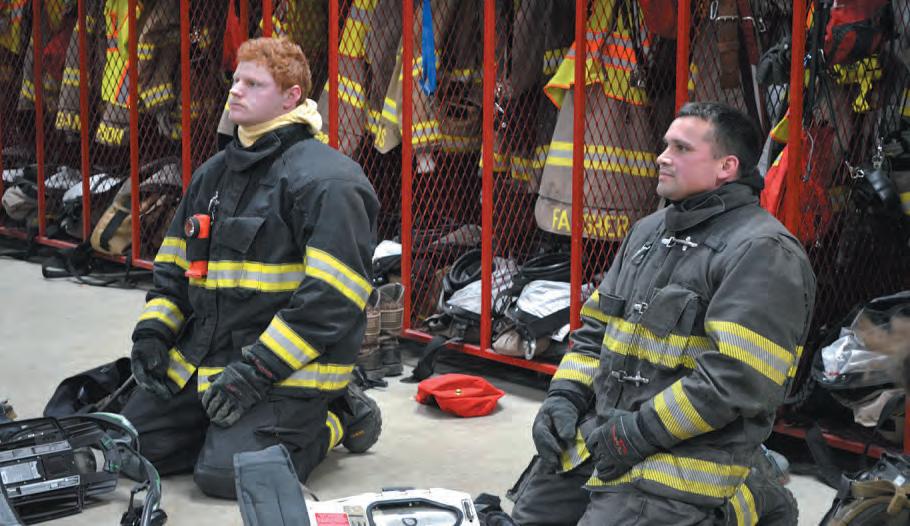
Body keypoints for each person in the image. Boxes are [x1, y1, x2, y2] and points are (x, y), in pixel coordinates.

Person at [516, 101, 816, 525]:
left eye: (681, 148)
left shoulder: (764, 252)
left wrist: (637, 434)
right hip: (603, 437)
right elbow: (595, 330)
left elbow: (736, 380)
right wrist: (563, 398)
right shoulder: (648, 231)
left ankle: (748, 495)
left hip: (687, 460)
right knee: (529, 516)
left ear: (726, 167)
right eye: (665, 145)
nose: (662, 157)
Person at [121, 37, 381, 499]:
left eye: (254, 84)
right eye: (236, 80)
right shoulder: (214, 174)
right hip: (208, 363)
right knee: (128, 448)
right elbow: (173, 270)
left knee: (228, 477)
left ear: (291, 97)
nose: (236, 91)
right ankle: (228, 432)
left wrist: (257, 371)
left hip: (286, 372)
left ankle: (336, 416)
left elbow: (331, 302)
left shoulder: (328, 181)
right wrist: (153, 335)